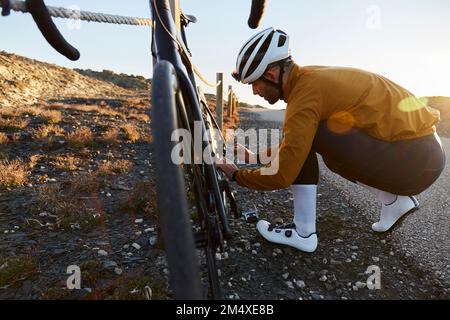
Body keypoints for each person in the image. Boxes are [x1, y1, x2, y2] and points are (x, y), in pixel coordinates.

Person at [215, 27, 446, 253]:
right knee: (320, 143)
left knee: (316, 137)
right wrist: (254, 157)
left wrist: (236, 174)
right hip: (424, 153)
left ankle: (303, 233)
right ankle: (394, 201)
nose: (255, 92)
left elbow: (282, 174)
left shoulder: (305, 96)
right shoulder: (309, 79)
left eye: (254, 83)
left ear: (271, 75)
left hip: (416, 159)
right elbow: (294, 145)